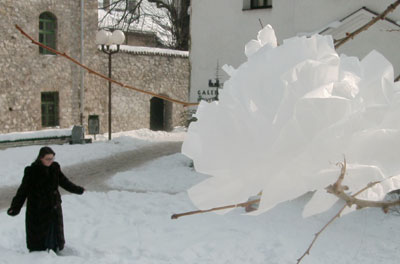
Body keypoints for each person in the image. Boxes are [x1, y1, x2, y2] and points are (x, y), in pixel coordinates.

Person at [7, 146, 84, 253]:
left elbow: (64, 182)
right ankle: (40, 253)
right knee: (40, 234)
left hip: (53, 206)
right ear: (41, 158)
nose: (50, 161)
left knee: (54, 229)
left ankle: (54, 248)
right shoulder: (31, 171)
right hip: (38, 208)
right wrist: (15, 208)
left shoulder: (55, 168)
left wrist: (78, 190)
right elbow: (22, 191)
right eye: (48, 159)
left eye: (52, 158)